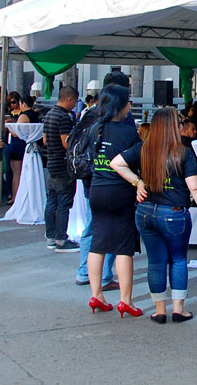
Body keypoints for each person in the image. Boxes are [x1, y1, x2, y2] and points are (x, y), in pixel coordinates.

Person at [113, 107, 197, 323]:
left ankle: (159, 310)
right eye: (179, 123)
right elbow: (194, 186)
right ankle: (178, 309)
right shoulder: (183, 152)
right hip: (174, 213)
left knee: (155, 262)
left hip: (146, 211)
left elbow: (116, 163)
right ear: (172, 127)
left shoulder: (143, 149)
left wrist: (137, 181)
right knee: (177, 260)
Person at [83, 84, 143, 317]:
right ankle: (125, 300)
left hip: (96, 190)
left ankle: (96, 294)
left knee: (98, 243)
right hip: (120, 193)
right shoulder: (128, 133)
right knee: (123, 248)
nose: (130, 105)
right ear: (120, 105)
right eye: (128, 102)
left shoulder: (94, 129)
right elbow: (137, 161)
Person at [77, 72, 133, 287]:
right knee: (117, 240)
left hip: (92, 182)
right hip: (116, 186)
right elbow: (131, 156)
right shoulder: (123, 123)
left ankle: (87, 277)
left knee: (94, 231)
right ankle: (109, 281)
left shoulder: (89, 117)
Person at [43, 85, 80, 252]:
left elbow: (44, 140)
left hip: (51, 162)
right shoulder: (64, 118)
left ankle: (50, 236)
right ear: (69, 99)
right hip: (63, 165)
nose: (74, 106)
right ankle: (61, 240)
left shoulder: (49, 115)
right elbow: (67, 143)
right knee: (64, 203)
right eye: (74, 102)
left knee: (52, 202)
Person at [7, 93, 39, 205]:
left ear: (23, 104)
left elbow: (17, 133)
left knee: (17, 173)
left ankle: (16, 198)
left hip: (19, 146)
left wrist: (9, 127)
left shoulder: (24, 116)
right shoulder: (36, 115)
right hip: (32, 146)